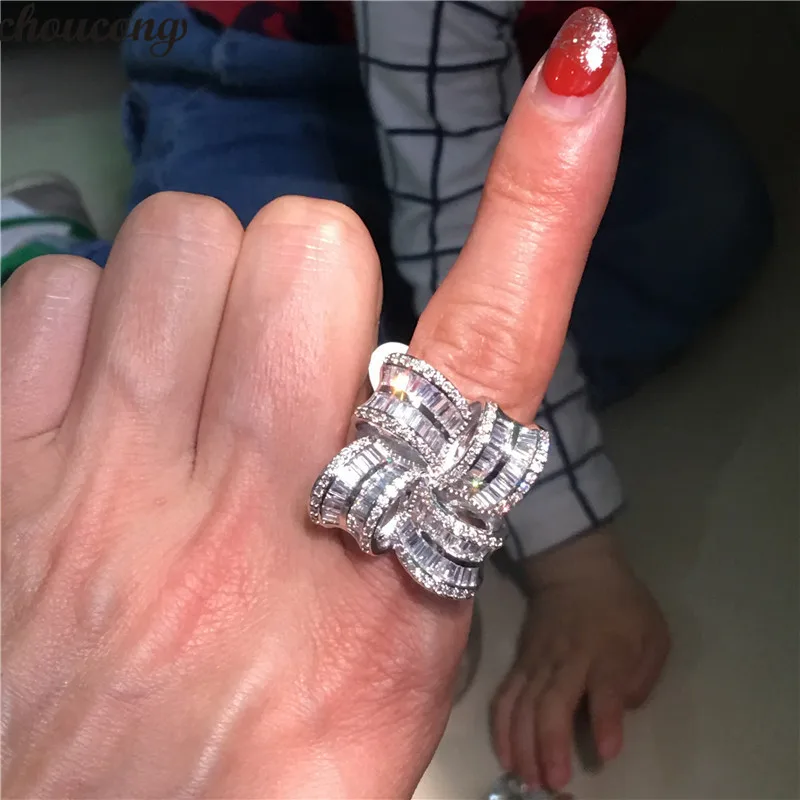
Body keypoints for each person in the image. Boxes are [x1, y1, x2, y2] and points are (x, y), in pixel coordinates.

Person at [0, 2, 771, 793]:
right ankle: (40, 253)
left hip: (497, 80)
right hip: (265, 75)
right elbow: (454, 213)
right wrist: (574, 555)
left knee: (704, 205)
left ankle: (366, 367)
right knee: (202, 330)